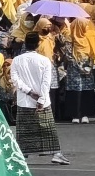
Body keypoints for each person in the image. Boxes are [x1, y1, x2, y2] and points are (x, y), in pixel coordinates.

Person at [11, 34, 69, 165]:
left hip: (24, 100)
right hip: (42, 100)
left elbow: (15, 80)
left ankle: (22, 154)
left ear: (25, 43)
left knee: (25, 129)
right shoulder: (44, 60)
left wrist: (29, 92)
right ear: (38, 44)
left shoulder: (17, 60)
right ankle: (56, 153)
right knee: (48, 128)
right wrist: (41, 99)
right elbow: (46, 82)